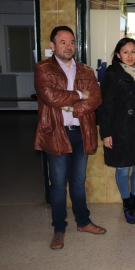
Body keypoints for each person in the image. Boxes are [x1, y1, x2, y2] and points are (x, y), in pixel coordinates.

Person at [34, 26, 106, 250]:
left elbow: (95, 98)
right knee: (57, 185)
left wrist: (74, 109)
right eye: (63, 42)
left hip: (81, 132)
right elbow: (50, 96)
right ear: (53, 46)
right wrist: (78, 95)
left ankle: (83, 222)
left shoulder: (85, 70)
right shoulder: (43, 68)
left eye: (72, 42)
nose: (68, 46)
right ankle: (59, 228)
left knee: (78, 181)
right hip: (56, 132)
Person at [97, 38, 135, 225]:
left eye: (133, 51)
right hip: (119, 129)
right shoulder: (111, 74)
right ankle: (127, 205)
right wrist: (106, 133)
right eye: (125, 52)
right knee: (123, 167)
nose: (130, 55)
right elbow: (104, 106)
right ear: (118, 54)